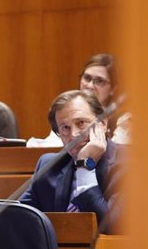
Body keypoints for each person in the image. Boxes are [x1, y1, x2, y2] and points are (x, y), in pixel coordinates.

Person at [20, 90, 123, 231]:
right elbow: (18, 218)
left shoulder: (131, 163)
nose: (73, 135)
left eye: (81, 123)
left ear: (103, 123)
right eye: (65, 128)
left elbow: (112, 228)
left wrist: (84, 167)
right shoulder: (49, 166)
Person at [27, 53, 129, 147]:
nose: (90, 86)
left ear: (113, 89)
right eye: (87, 78)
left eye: (99, 81)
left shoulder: (125, 121)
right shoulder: (68, 111)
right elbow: (52, 146)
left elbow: (118, 154)